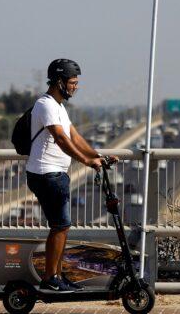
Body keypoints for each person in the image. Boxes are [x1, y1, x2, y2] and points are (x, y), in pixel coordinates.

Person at [25, 58, 117, 292]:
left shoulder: (59, 107)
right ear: (59, 81)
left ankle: (55, 275)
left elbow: (75, 137)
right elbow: (61, 138)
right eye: (73, 82)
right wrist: (86, 161)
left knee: (62, 226)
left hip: (56, 174)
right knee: (60, 226)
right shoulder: (45, 105)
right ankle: (49, 279)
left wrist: (98, 156)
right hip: (47, 174)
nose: (76, 86)